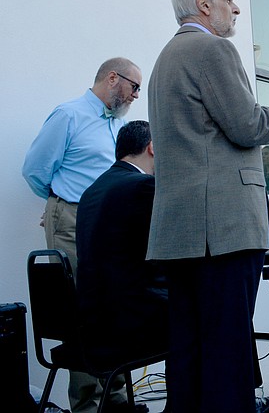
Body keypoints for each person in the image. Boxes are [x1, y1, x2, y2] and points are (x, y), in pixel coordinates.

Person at [147, 0, 269, 413]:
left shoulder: (165, 59)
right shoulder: (212, 49)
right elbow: (247, 126)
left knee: (191, 350)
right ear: (204, 5)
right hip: (221, 229)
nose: (236, 7)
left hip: (185, 232)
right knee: (227, 349)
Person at [22, 56, 141, 413]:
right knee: (79, 308)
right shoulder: (69, 115)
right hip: (72, 219)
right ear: (112, 78)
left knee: (111, 304)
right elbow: (35, 169)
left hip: (107, 222)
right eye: (134, 86)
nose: (137, 95)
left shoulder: (116, 125)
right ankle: (88, 405)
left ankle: (115, 399)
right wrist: (56, 202)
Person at [76, 121, 168, 399]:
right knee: (207, 308)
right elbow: (163, 255)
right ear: (152, 147)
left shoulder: (92, 190)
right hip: (126, 325)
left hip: (93, 321)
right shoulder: (142, 186)